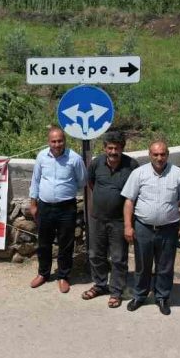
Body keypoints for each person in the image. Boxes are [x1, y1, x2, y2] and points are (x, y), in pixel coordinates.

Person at [121, 140, 180, 315]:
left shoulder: (178, 174)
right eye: (156, 154)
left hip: (169, 228)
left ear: (167, 154)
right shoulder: (139, 173)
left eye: (162, 154)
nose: (159, 158)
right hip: (143, 227)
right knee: (142, 264)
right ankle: (140, 295)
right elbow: (129, 201)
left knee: (165, 265)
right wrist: (128, 226)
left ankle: (162, 297)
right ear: (149, 155)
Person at [27, 126, 87, 293]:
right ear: (49, 142)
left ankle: (63, 276)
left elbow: (82, 181)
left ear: (64, 141)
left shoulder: (74, 159)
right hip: (45, 206)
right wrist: (33, 204)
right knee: (44, 243)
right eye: (53, 141)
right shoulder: (41, 157)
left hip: (66, 207)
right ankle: (43, 273)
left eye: (60, 141)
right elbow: (36, 181)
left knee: (65, 244)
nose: (57, 144)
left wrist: (65, 190)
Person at [82, 131, 138, 307]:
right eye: (110, 148)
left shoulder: (132, 165)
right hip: (97, 218)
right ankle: (99, 285)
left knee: (118, 258)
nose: (113, 152)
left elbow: (136, 191)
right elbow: (91, 183)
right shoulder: (96, 163)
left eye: (117, 148)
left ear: (122, 148)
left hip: (120, 221)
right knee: (95, 254)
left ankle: (116, 291)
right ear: (105, 148)